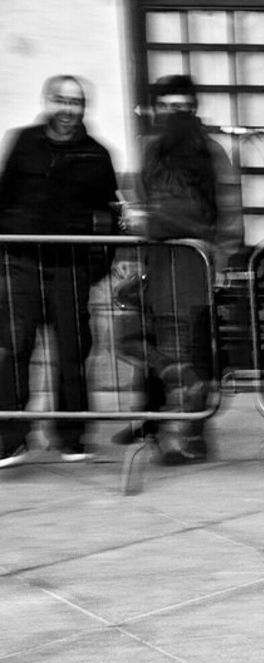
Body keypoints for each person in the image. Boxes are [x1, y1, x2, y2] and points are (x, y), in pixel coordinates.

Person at [117, 74, 243, 464]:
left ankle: (190, 436)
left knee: (188, 349)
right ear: (157, 109)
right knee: (143, 341)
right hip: (158, 264)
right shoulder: (153, 151)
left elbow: (228, 207)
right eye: (170, 107)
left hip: (193, 265)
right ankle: (163, 425)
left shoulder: (212, 152)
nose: (178, 114)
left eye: (185, 107)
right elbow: (140, 199)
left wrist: (222, 260)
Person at [0, 75, 119, 468]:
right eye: (61, 100)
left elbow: (111, 215)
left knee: (72, 351)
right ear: (47, 101)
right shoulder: (24, 143)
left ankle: (72, 436)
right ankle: (12, 437)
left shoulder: (96, 154)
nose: (68, 109)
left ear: (84, 107)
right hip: (21, 263)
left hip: (70, 266)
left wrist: (98, 266)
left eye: (76, 102)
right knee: (15, 349)